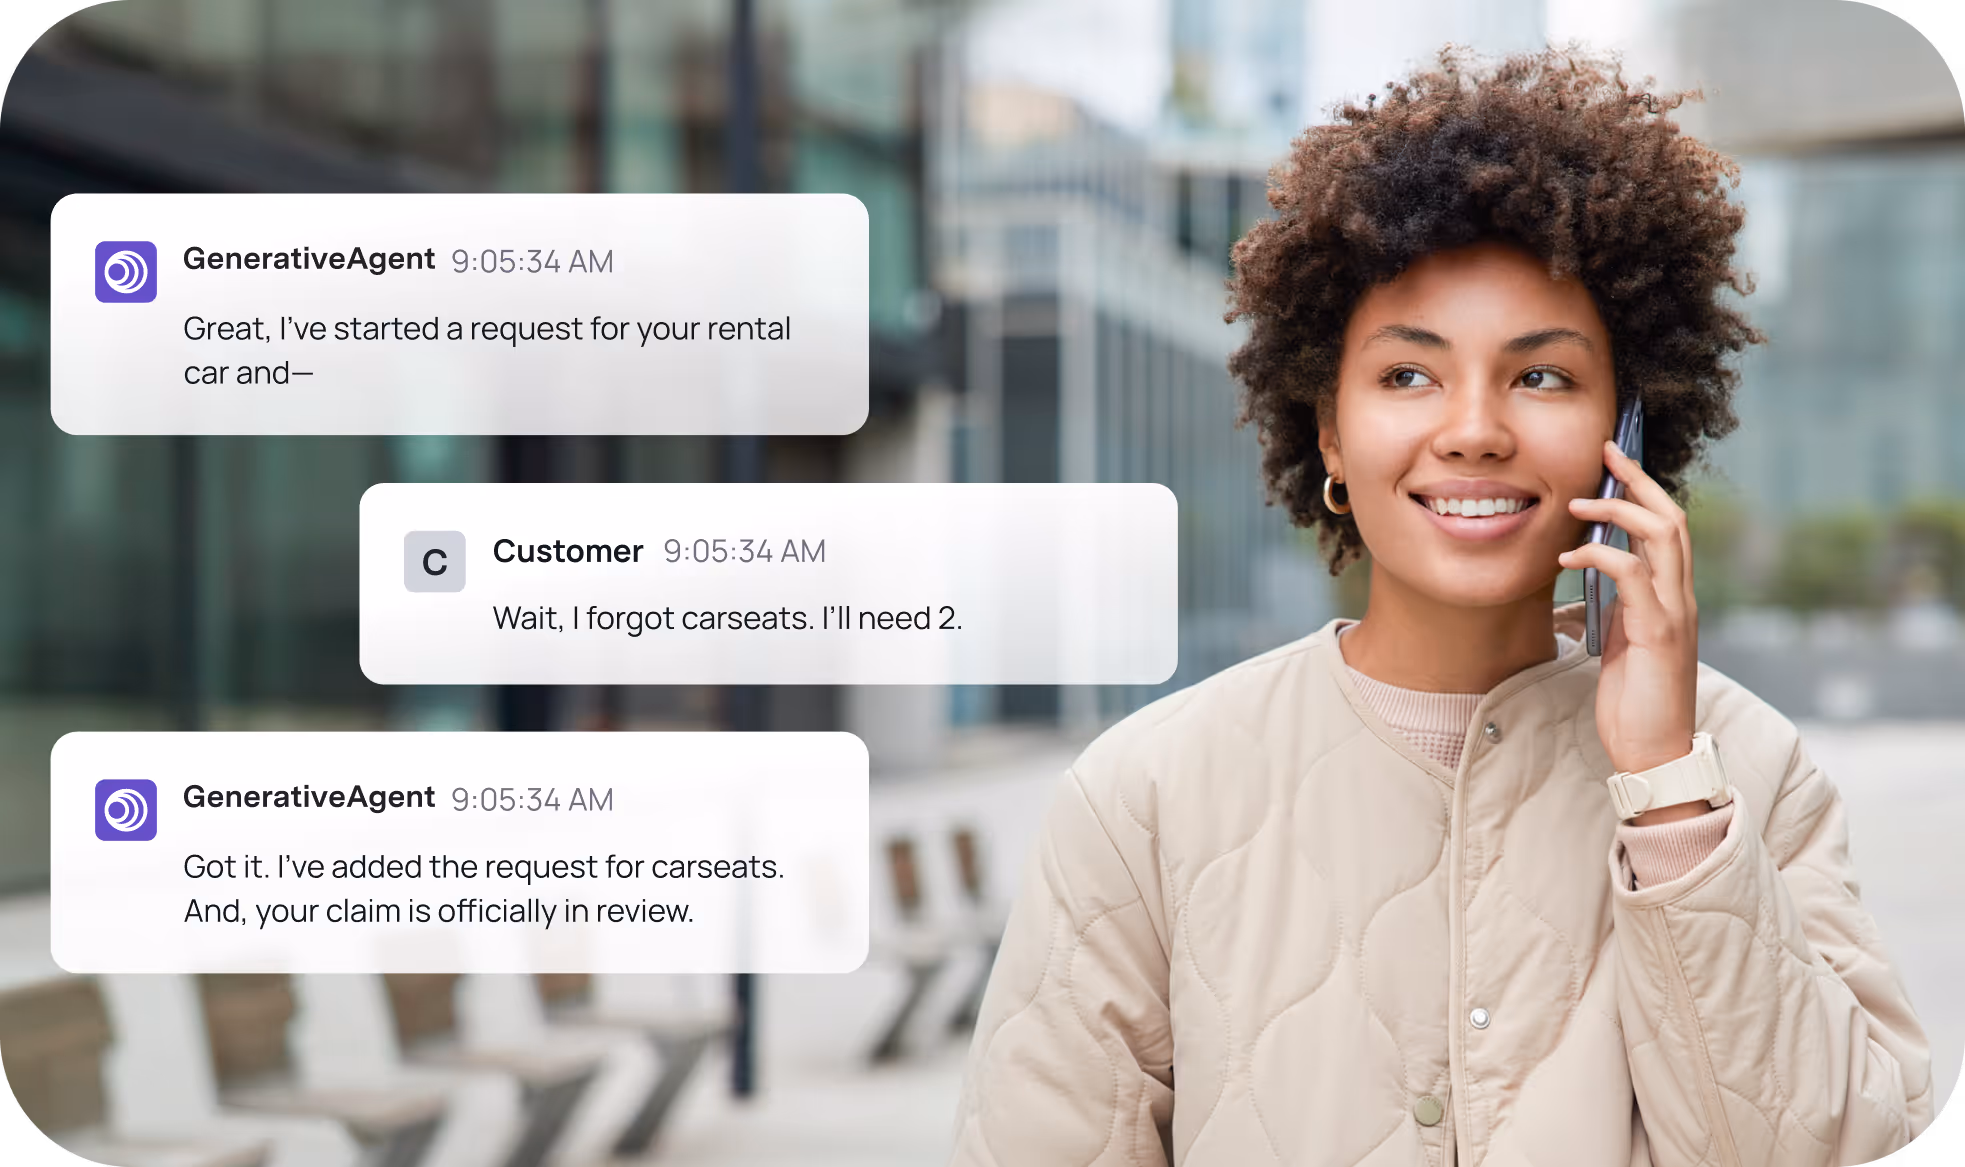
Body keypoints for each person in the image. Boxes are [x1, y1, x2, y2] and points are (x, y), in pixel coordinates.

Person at [948, 46, 1931, 1167]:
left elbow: (1839, 1141)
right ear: (1327, 428)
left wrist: (1668, 797)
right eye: (1407, 375)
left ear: (1635, 428)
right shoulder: (1145, 799)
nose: (1472, 428)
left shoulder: (1750, 775)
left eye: (1544, 375)